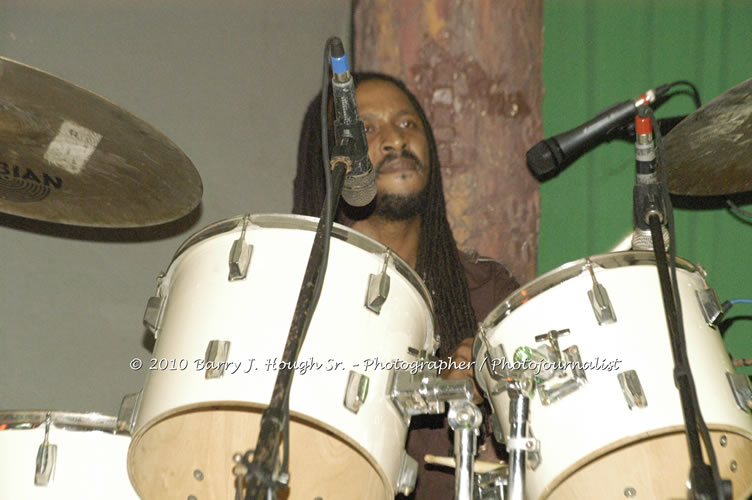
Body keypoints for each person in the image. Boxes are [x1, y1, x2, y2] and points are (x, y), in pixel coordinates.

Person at [293, 72, 519, 498]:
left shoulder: (487, 292)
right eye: (365, 130)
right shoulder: (295, 292)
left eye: (407, 123)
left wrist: (492, 391)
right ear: (326, 164)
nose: (395, 140)